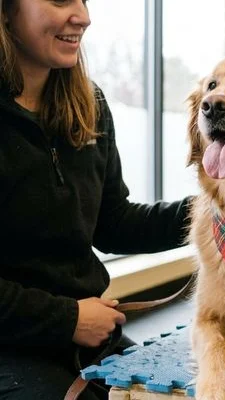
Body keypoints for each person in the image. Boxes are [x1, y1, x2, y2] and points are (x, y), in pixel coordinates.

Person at [0, 1, 192, 398]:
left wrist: (214, 211)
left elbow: (113, 223)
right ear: (5, 11)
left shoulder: (90, 103)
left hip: (85, 339)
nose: (83, 16)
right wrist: (66, 319)